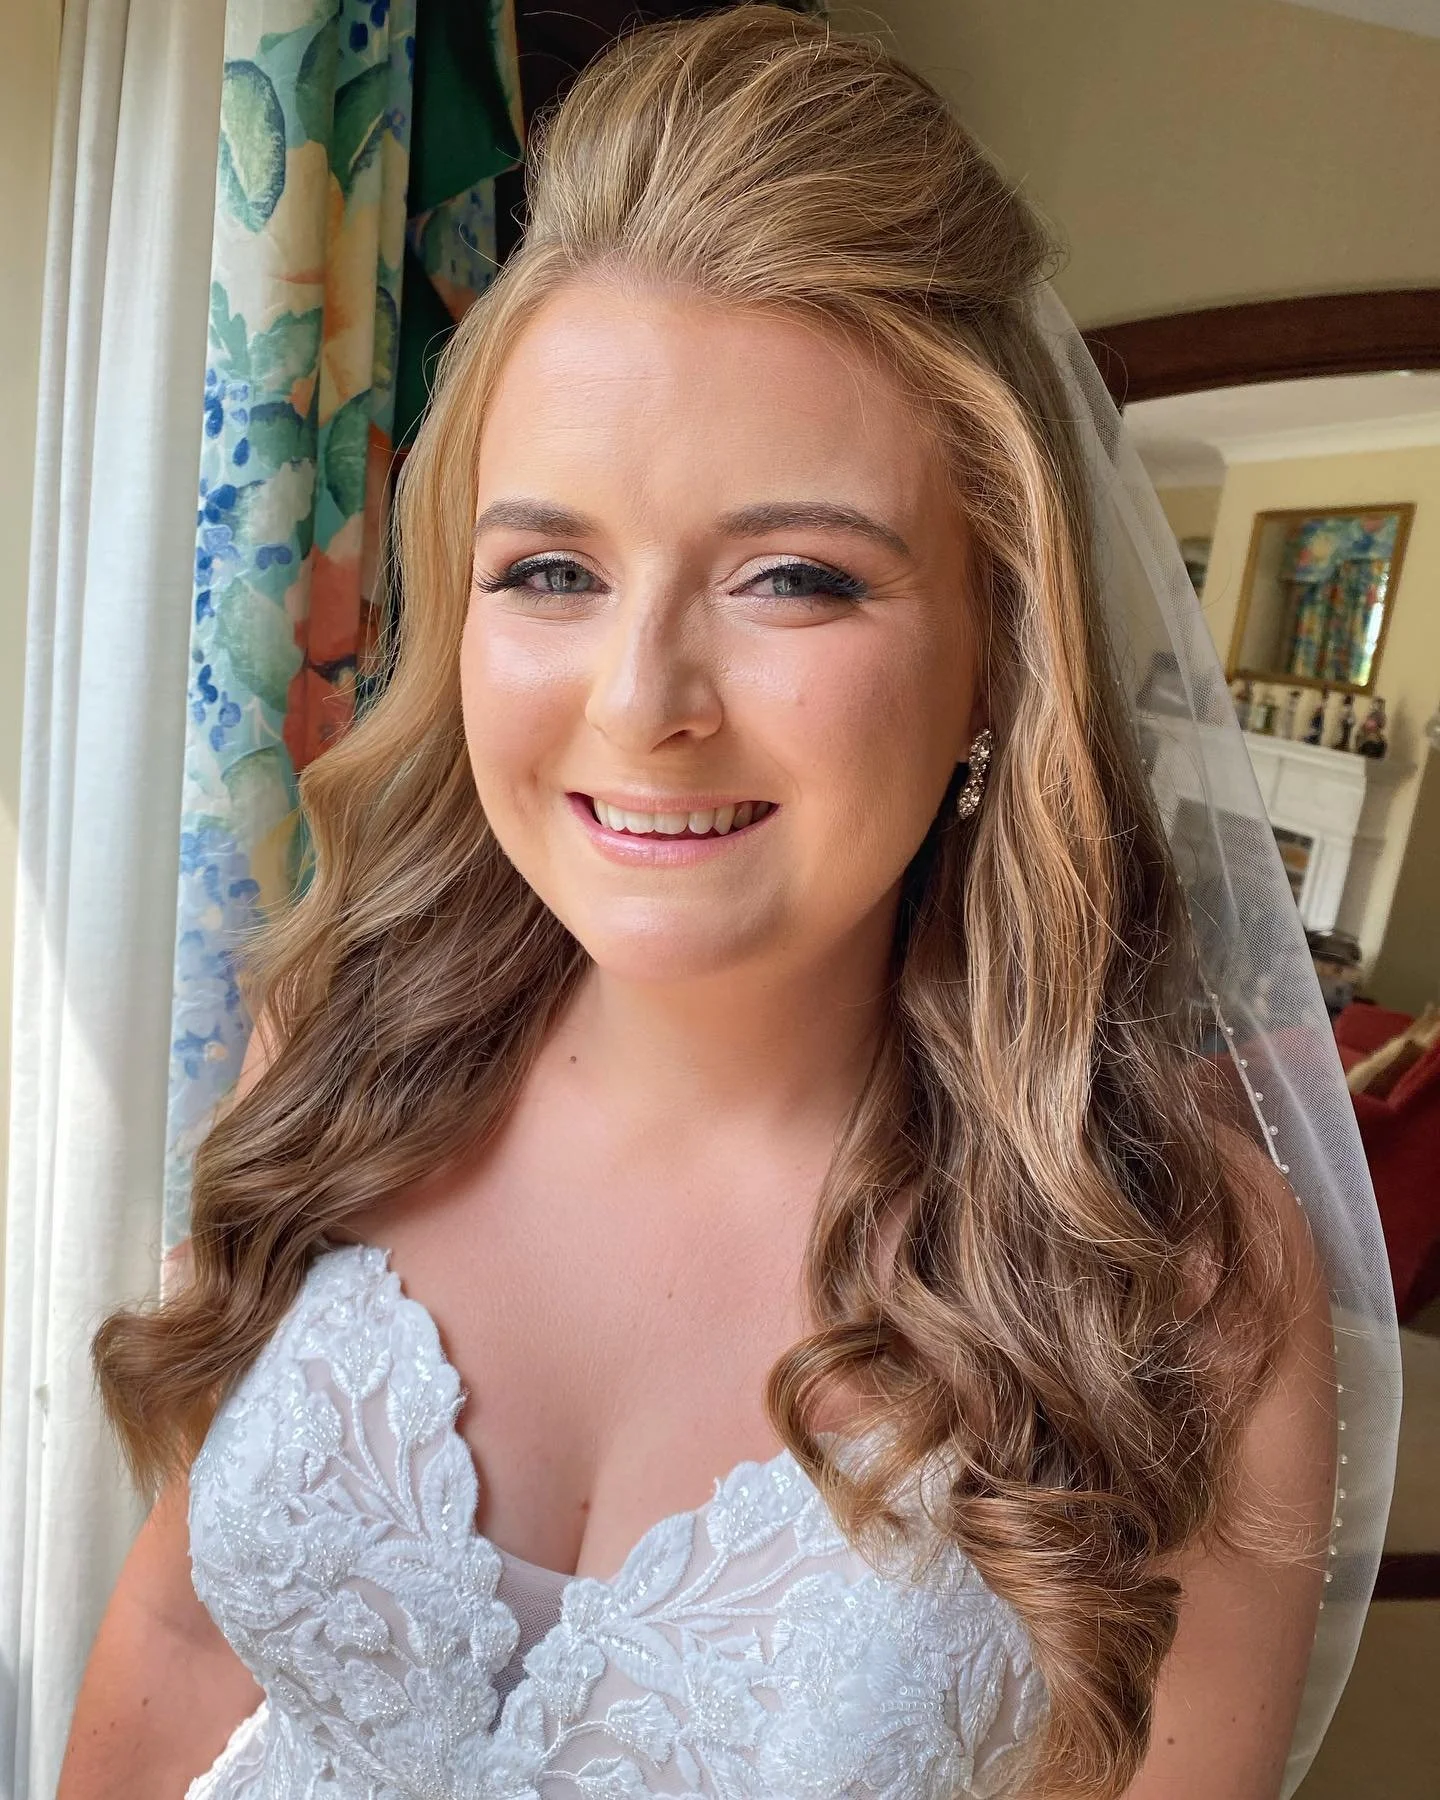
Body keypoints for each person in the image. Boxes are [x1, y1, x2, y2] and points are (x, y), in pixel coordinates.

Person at [62, 10, 1353, 1799]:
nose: (639, 701)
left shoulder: (1172, 1274)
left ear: (999, 648)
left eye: (796, 577)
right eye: (553, 570)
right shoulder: (340, 1048)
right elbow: (187, 1638)